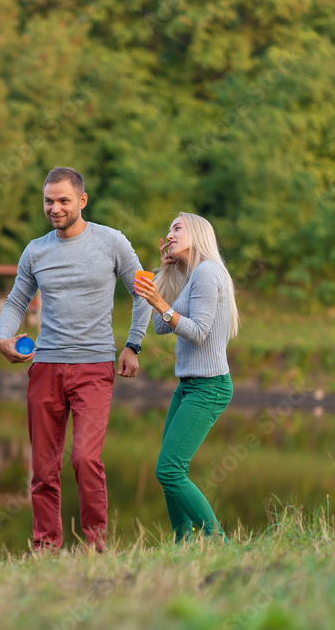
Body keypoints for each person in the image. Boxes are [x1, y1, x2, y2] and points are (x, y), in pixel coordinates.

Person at [0, 167, 151, 552]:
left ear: (82, 200)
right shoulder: (36, 250)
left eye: (63, 200)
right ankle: (46, 547)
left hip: (94, 367)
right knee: (43, 468)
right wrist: (2, 338)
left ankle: (95, 546)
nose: (55, 208)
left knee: (84, 459)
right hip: (45, 366)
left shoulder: (112, 242)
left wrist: (133, 344)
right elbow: (16, 300)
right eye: (49, 201)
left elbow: (143, 291)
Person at [133, 212, 240, 543]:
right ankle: (183, 542)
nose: (170, 235)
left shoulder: (207, 273)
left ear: (198, 234)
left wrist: (160, 302)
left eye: (177, 228)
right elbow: (161, 325)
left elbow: (198, 332)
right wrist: (166, 273)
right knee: (169, 471)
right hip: (188, 386)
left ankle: (216, 539)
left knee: (169, 469)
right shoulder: (194, 275)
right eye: (169, 230)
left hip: (208, 387)